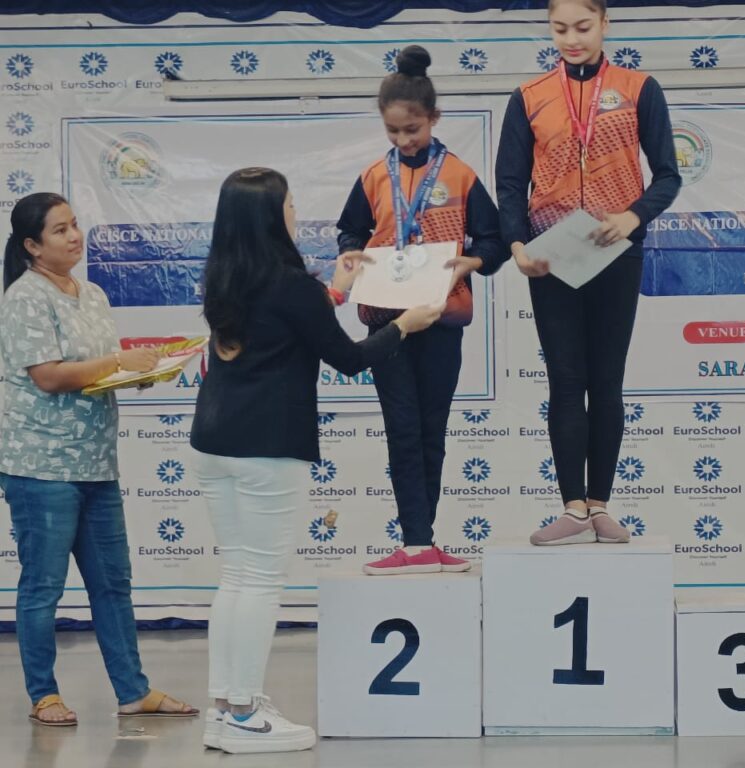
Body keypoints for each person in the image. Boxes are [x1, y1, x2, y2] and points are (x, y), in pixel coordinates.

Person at [191, 168, 439, 753]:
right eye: (290, 204)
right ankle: (244, 713)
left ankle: (225, 707)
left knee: (236, 576)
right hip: (267, 446)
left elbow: (286, 325)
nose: (296, 213)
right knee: (259, 581)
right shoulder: (290, 285)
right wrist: (404, 326)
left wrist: (336, 289)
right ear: (271, 217)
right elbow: (348, 359)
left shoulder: (225, 277)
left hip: (214, 441)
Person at [0, 192, 198, 726]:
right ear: (32, 246)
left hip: (95, 463)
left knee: (113, 583)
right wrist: (117, 361)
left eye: (75, 225)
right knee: (43, 587)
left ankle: (133, 691)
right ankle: (43, 694)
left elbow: (97, 371)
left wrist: (141, 371)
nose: (74, 236)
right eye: (60, 230)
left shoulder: (92, 293)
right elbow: (49, 375)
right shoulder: (25, 297)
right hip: (41, 466)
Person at [496, 0, 681, 545]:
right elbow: (510, 183)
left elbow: (668, 175)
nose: (571, 39)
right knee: (565, 379)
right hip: (551, 253)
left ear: (605, 23)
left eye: (582, 27)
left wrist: (632, 217)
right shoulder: (529, 97)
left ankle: (600, 503)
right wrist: (517, 245)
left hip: (615, 249)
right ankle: (572, 509)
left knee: (606, 381)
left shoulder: (639, 88)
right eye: (559, 29)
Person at [336, 45, 505, 575]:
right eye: (393, 131)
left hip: (440, 318)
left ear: (434, 118)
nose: (404, 140)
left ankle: (422, 542)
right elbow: (349, 231)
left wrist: (471, 262)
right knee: (402, 429)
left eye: (412, 129)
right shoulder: (373, 176)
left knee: (432, 430)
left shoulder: (460, 175)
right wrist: (351, 253)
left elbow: (494, 241)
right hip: (387, 322)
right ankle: (415, 543)